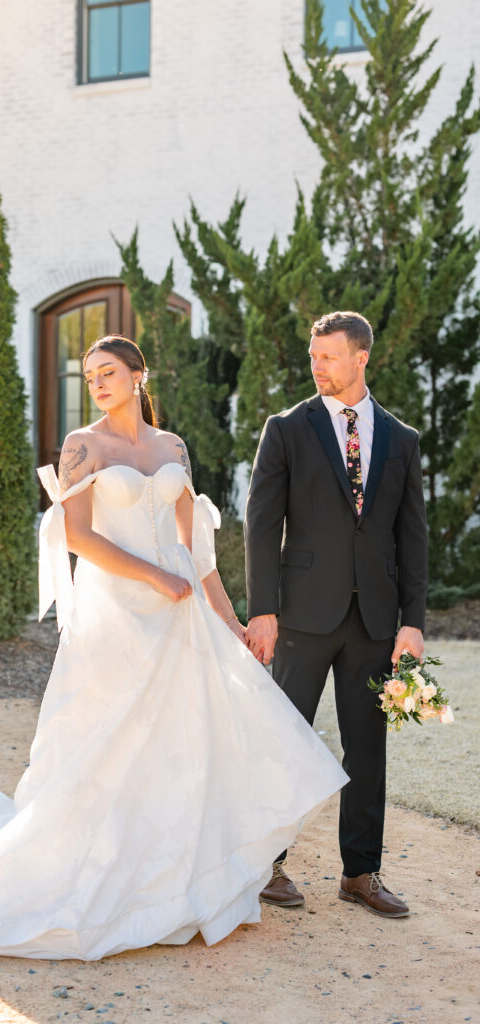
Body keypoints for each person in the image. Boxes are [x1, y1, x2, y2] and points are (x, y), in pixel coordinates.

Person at [0, 335, 347, 960]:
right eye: (90, 375)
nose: (97, 383)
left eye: (108, 371)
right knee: (109, 742)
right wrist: (153, 576)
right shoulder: (81, 446)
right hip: (117, 611)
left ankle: (173, 884)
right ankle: (101, 878)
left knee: (182, 745)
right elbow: (77, 536)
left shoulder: (173, 448)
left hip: (180, 615)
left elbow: (195, 550)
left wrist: (231, 624)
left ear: (139, 375)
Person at [244, 311, 428, 919]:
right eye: (313, 355)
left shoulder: (401, 439)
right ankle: (266, 864)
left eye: (328, 356)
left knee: (367, 749)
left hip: (374, 618)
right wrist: (263, 609)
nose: (316, 366)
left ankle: (361, 873)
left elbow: (413, 537)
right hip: (301, 615)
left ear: (360, 358)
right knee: (285, 741)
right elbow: (261, 524)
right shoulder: (286, 429)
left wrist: (412, 620)